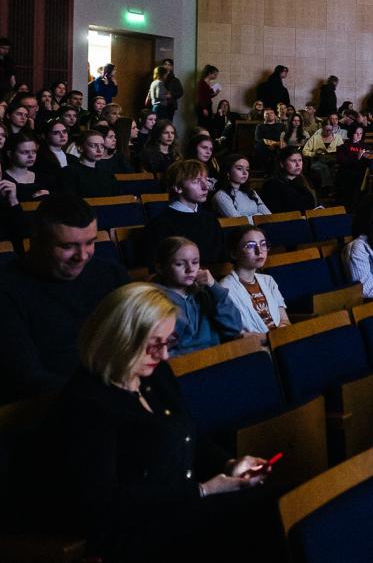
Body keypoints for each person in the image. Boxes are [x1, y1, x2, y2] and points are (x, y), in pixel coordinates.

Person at [39, 282, 275, 563]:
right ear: (120, 339)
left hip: (182, 509)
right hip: (138, 531)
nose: (164, 355)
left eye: (169, 342)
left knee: (270, 503)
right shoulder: (86, 404)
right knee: (256, 524)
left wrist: (228, 465)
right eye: (154, 344)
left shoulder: (155, 373)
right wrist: (203, 490)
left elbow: (188, 436)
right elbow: (102, 504)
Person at [0, 195, 127, 402]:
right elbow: (26, 378)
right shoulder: (7, 290)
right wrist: (109, 392)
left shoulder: (111, 273)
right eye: (68, 246)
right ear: (36, 241)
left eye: (90, 242)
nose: (82, 256)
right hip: (53, 405)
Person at [153, 236, 245, 355]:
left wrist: (214, 287)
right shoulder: (153, 301)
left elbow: (234, 328)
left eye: (195, 262)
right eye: (180, 264)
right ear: (160, 268)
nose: (190, 269)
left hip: (215, 356)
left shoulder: (205, 292)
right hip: (181, 362)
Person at [144, 160, 226, 267]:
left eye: (205, 180)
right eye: (196, 181)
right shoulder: (160, 224)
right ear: (178, 188)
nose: (205, 187)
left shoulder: (210, 219)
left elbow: (221, 259)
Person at [217, 226, 289, 335]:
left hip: (280, 339)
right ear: (234, 253)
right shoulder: (225, 289)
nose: (259, 251)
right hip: (257, 344)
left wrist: (280, 337)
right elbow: (239, 335)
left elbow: (284, 320)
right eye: (250, 246)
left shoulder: (268, 281)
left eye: (263, 244)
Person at [212, 156, 272, 221]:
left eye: (247, 169)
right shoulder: (221, 196)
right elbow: (239, 222)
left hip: (262, 227)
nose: (245, 173)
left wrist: (253, 218)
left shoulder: (251, 192)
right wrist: (259, 216)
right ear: (228, 172)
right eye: (239, 168)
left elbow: (269, 216)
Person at [260, 148, 318, 213]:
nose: (298, 164)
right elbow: (275, 213)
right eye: (293, 161)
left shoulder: (306, 181)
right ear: (282, 164)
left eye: (300, 160)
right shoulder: (272, 185)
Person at [64, 129, 119, 197]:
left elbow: (117, 195)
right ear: (80, 148)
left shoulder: (106, 171)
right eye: (93, 146)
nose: (99, 150)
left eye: (102, 146)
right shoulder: (70, 172)